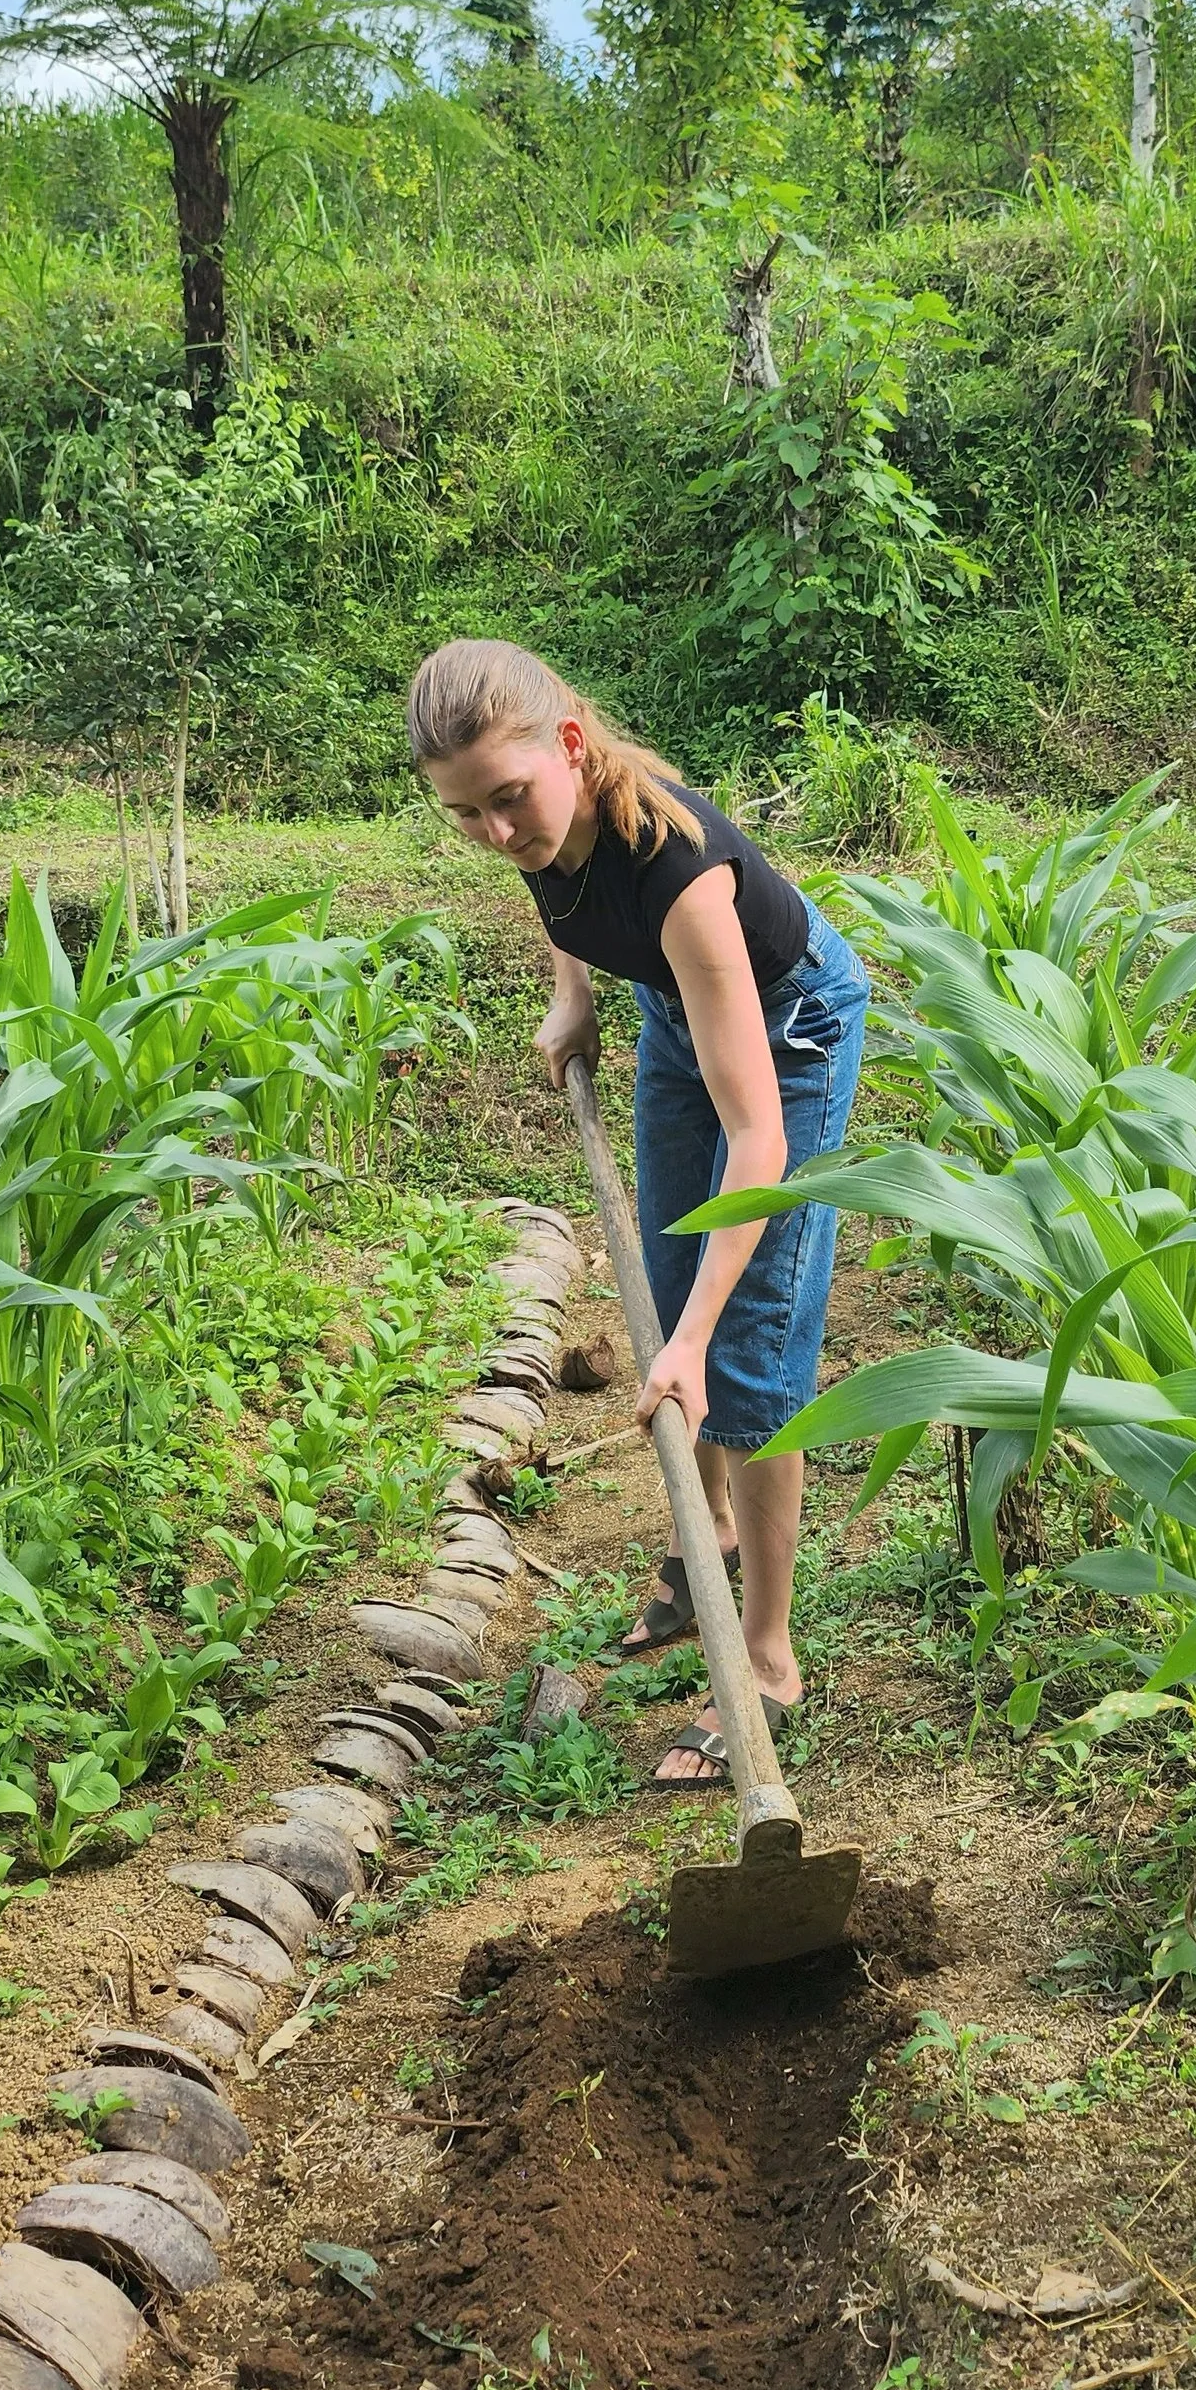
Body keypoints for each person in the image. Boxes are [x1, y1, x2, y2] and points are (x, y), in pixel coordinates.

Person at [406, 638, 867, 1788]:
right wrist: (572, 999)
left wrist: (697, 1342)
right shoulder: (534, 812)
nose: (497, 833)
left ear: (570, 745)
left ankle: (766, 1661)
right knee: (668, 1275)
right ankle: (700, 1536)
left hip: (787, 1031)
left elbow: (755, 1143)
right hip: (675, 1007)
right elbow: (555, 895)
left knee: (744, 1346)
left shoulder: (683, 875)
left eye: (508, 800)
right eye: (466, 816)